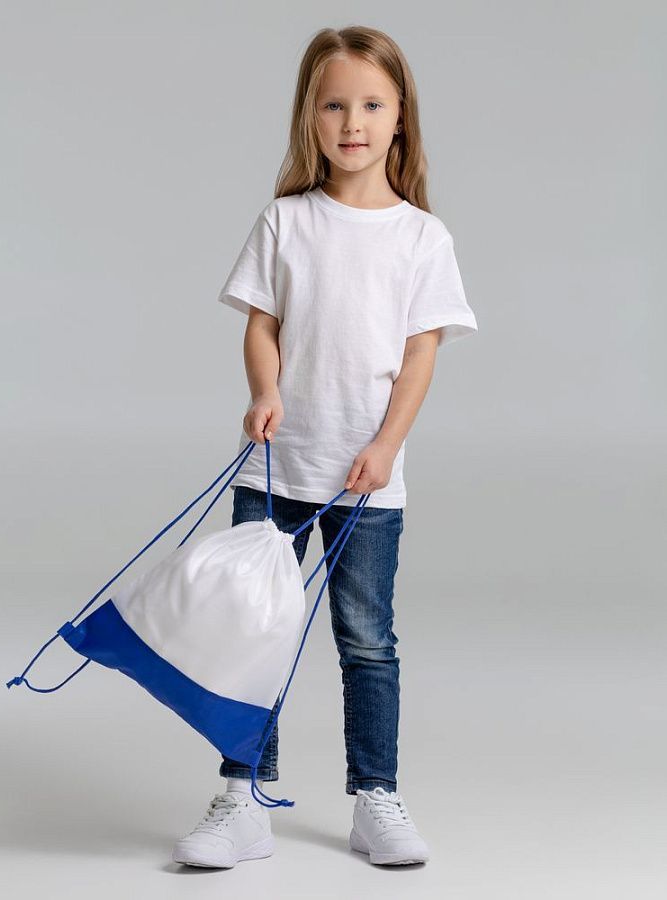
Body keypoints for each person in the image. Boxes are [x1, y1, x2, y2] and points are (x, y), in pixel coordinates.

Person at [173, 24, 478, 870]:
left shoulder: (421, 237)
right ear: (309, 117)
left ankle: (374, 797)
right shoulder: (285, 221)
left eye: (372, 105)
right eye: (334, 105)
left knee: (366, 641)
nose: (353, 122)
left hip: (366, 479)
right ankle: (242, 799)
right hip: (277, 469)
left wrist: (385, 445)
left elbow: (420, 355)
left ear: (400, 117)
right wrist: (264, 393)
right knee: (253, 630)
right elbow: (261, 326)